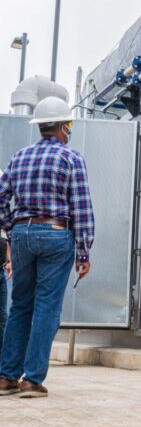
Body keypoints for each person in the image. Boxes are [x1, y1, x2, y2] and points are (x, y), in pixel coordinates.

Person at [0, 97, 95, 398]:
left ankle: (5, 377)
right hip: (56, 233)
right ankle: (32, 380)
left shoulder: (18, 157)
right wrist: (83, 251)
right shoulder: (71, 158)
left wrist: (11, 227)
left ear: (40, 126)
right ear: (64, 127)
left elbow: (1, 200)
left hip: (21, 235)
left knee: (20, 305)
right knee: (46, 307)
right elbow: (82, 208)